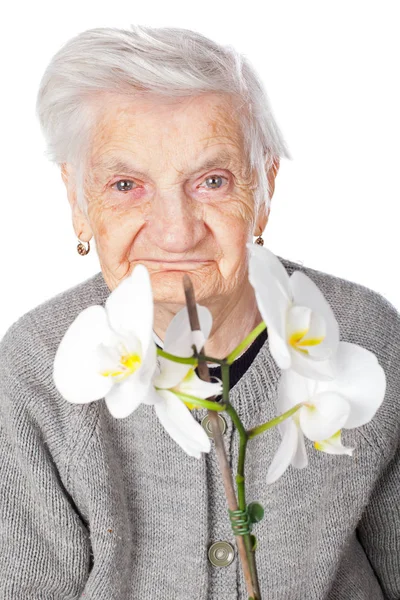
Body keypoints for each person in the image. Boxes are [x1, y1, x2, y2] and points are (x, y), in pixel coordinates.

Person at [0, 24, 399, 600]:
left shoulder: (364, 336)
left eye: (211, 181)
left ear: (265, 185)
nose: (176, 230)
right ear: (77, 200)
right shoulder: (35, 368)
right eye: (125, 184)